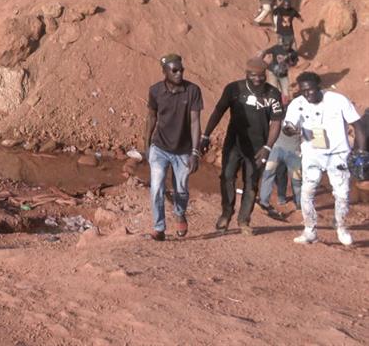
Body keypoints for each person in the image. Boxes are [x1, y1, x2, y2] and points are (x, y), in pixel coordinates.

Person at [201, 58, 283, 234]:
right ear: (246, 74)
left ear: (265, 75)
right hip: (234, 143)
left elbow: (276, 123)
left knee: (251, 183)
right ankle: (226, 213)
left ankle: (244, 220)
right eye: (254, 75)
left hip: (258, 148)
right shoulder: (234, 89)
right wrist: (205, 134)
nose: (258, 79)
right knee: (227, 177)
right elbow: (218, 111)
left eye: (261, 75)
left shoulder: (273, 94)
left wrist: (267, 148)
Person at [284, 72, 366, 245]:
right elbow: (288, 126)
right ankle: (309, 230)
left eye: (311, 90)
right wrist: (290, 129)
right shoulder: (297, 104)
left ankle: (342, 227)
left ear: (319, 86)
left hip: (338, 154)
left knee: (342, 194)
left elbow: (358, 125)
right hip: (312, 154)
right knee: (307, 192)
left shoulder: (338, 100)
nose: (307, 95)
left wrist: (361, 152)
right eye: (303, 91)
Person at [143, 54, 203, 241]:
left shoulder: (192, 91)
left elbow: (195, 122)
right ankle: (159, 227)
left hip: (183, 149)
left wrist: (195, 151)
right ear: (165, 72)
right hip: (159, 147)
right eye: (174, 70)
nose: (179, 73)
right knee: (156, 187)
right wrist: (146, 145)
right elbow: (151, 117)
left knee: (182, 189)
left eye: (181, 70)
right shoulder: (155, 91)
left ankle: (179, 212)